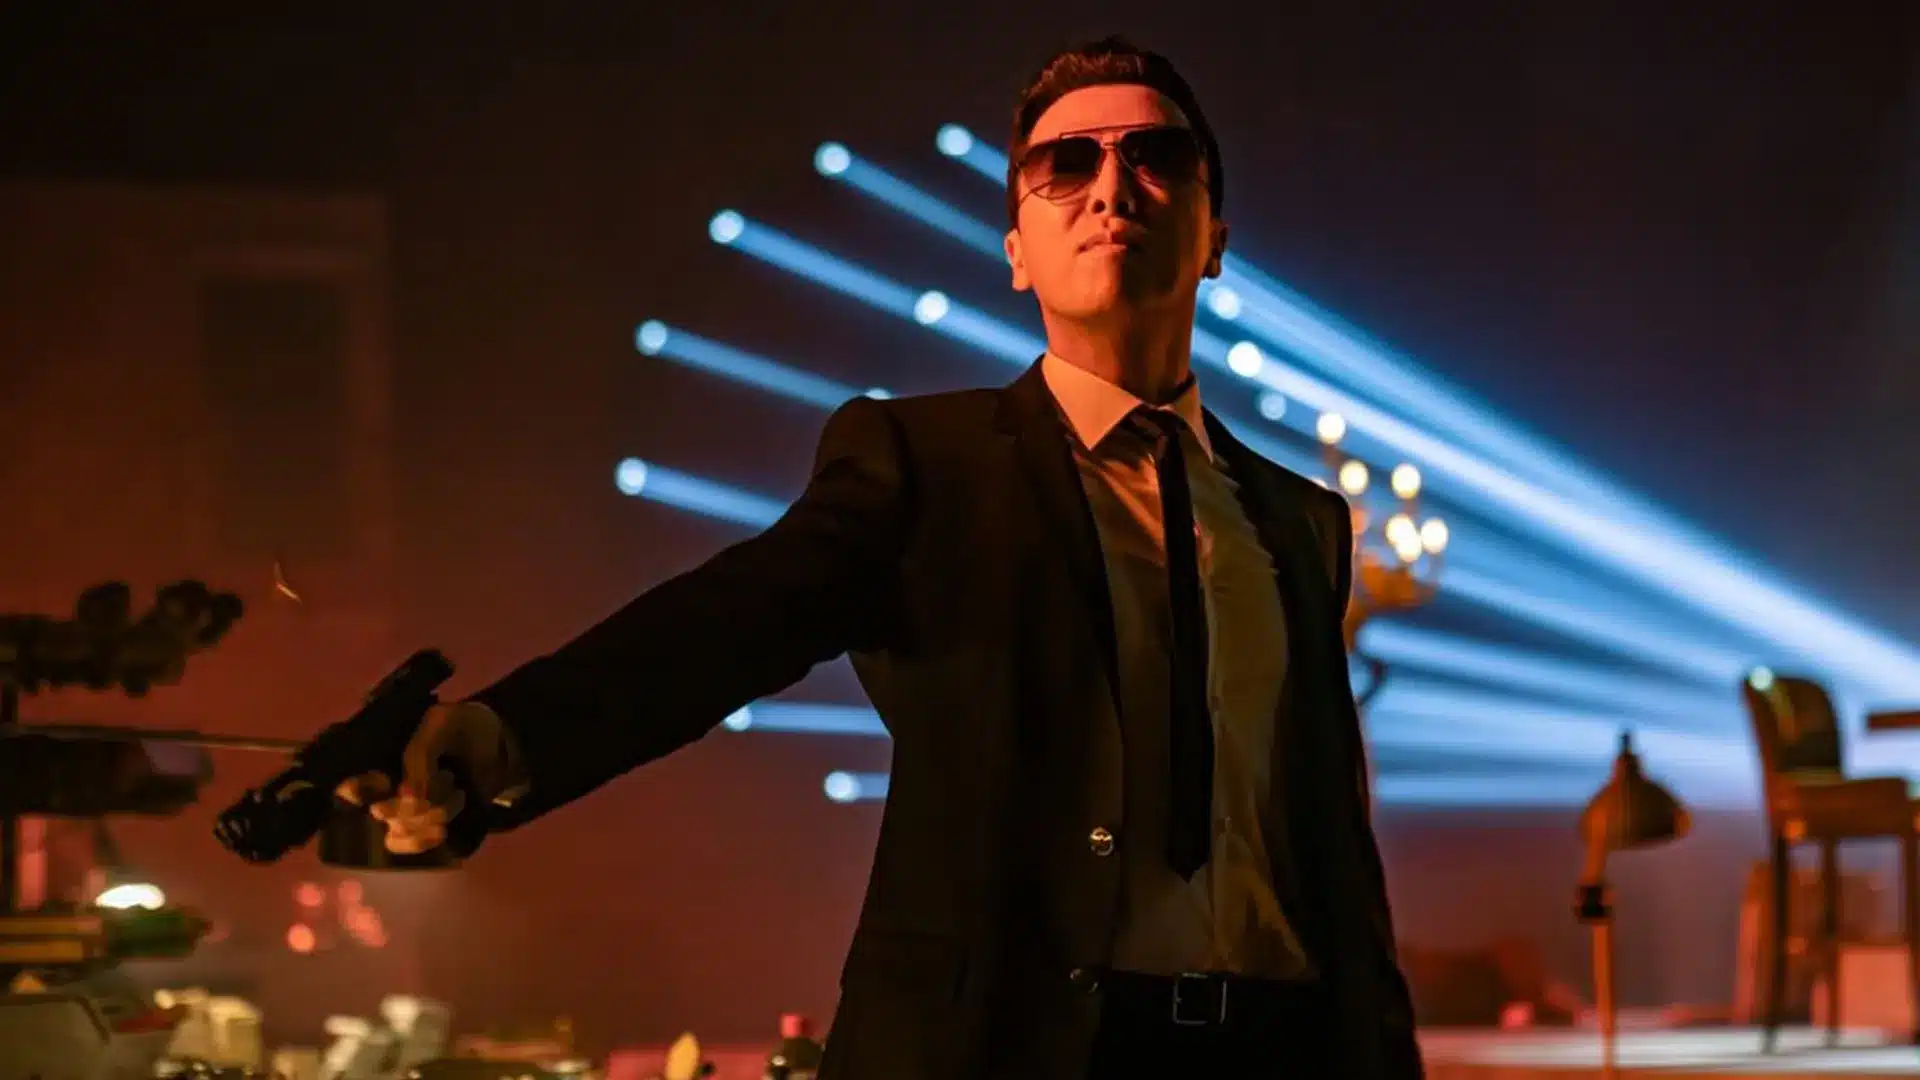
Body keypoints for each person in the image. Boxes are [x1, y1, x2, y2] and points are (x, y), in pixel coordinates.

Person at [348, 36, 1422, 1079]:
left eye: (1155, 155)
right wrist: (507, 731)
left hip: (1271, 1047)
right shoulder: (926, 462)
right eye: (1064, 165)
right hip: (1015, 1048)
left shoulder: (1300, 520)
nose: (1110, 186)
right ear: (1015, 252)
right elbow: (729, 622)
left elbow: (1332, 853)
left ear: (1214, 236)